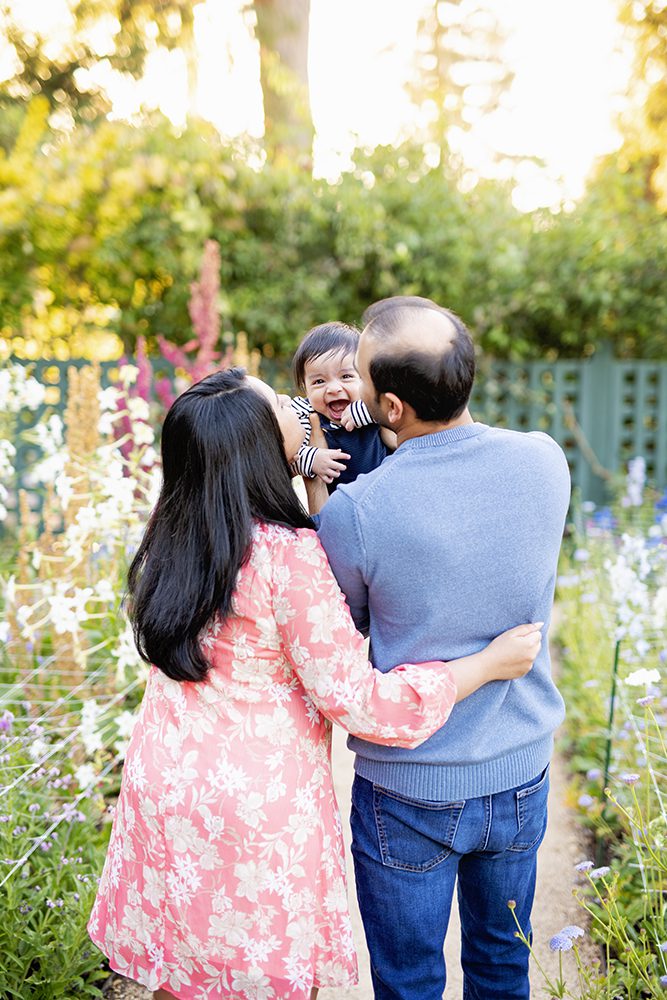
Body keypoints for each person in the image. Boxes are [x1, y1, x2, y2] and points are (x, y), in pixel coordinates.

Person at [87, 367, 544, 1000]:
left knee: (184, 971)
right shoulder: (287, 557)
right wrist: (484, 666)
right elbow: (360, 701)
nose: (299, 410)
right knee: (265, 977)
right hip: (256, 808)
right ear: (259, 444)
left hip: (165, 786)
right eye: (282, 406)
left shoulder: (174, 534)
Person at [317, 299, 572, 1000]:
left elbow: (351, 627)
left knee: (408, 980)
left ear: (390, 408)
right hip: (518, 774)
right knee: (500, 967)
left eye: (362, 383)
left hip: (405, 787)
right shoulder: (544, 463)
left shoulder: (355, 513)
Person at [290, 322, 395, 489]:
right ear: (305, 388)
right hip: (338, 507)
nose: (333, 389)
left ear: (367, 378)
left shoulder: (375, 404)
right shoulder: (306, 415)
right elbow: (289, 459)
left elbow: (403, 419)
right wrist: (311, 459)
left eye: (346, 376)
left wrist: (372, 410)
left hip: (384, 496)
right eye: (319, 381)